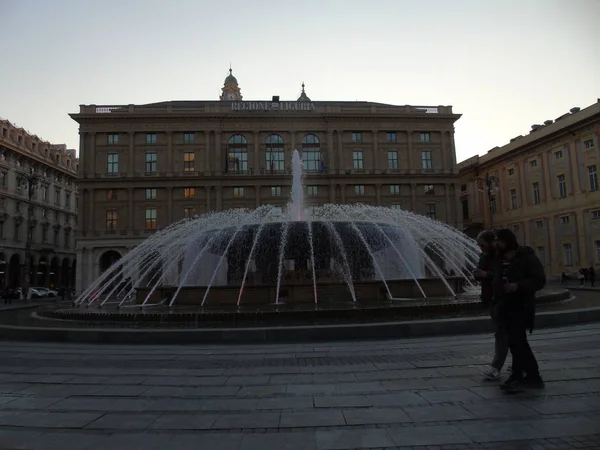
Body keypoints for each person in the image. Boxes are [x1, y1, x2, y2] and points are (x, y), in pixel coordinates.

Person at [492, 228, 546, 393]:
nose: (496, 243)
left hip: (521, 306)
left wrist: (518, 286)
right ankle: (530, 377)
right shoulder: (501, 260)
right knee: (516, 343)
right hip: (505, 306)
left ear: (507, 242)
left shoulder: (527, 258)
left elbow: (539, 280)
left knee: (517, 342)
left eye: (498, 240)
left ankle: (521, 377)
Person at [473, 230, 509, 380]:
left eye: (482, 245)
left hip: (501, 298)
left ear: (491, 242)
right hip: (490, 298)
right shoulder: (484, 255)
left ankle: (496, 366)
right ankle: (522, 364)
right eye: (478, 245)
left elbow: (503, 275)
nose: (480, 247)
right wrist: (478, 274)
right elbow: (484, 273)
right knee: (507, 333)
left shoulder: (499, 256)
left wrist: (486, 274)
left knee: (502, 333)